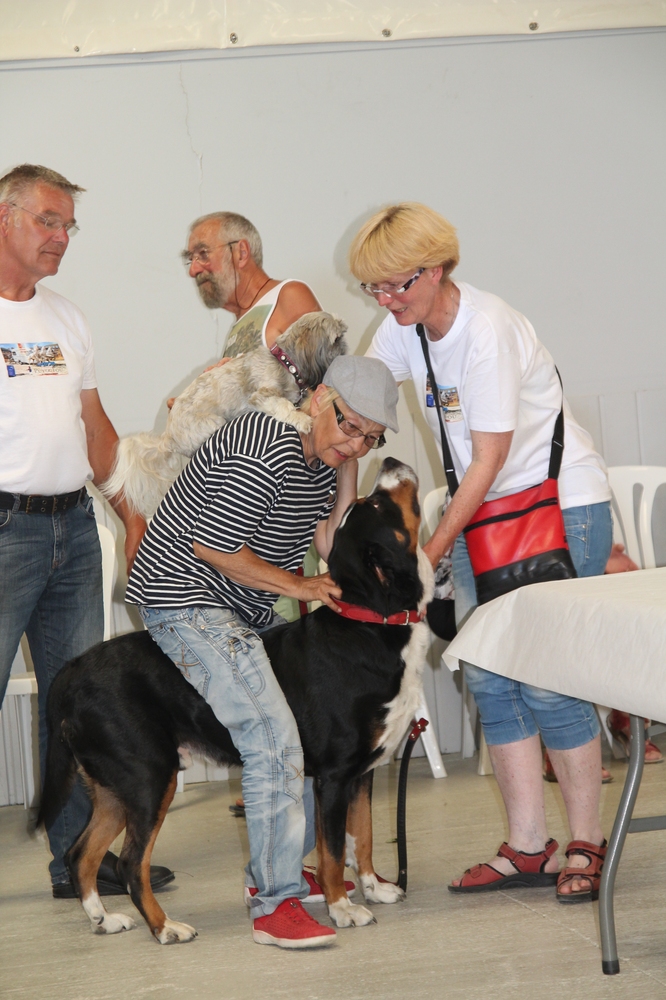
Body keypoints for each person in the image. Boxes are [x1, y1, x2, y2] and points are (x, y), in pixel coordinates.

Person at [350, 202, 613, 903]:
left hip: (554, 506)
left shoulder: (487, 330)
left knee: (549, 678)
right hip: (485, 513)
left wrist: (427, 551)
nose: (384, 301)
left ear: (435, 271)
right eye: (373, 289)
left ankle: (587, 840)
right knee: (492, 677)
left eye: (395, 286)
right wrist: (341, 504)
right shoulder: (406, 324)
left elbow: (489, 458)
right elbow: (358, 405)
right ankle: (529, 847)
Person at [125, 355, 398, 948]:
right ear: (320, 398)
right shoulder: (265, 442)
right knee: (272, 738)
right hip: (184, 597)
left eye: (370, 438)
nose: (355, 443)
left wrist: (347, 465)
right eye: (349, 425)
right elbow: (212, 548)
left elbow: (330, 540)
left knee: (293, 740)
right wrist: (300, 587)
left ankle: (269, 877)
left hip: (236, 610)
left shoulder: (321, 460)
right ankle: (275, 905)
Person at [0, 164, 173, 898]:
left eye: (69, 225)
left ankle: (80, 860)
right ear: (4, 217)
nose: (62, 237)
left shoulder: (67, 318)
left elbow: (95, 429)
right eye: (48, 221)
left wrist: (130, 514)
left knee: (78, 705)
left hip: (72, 528)